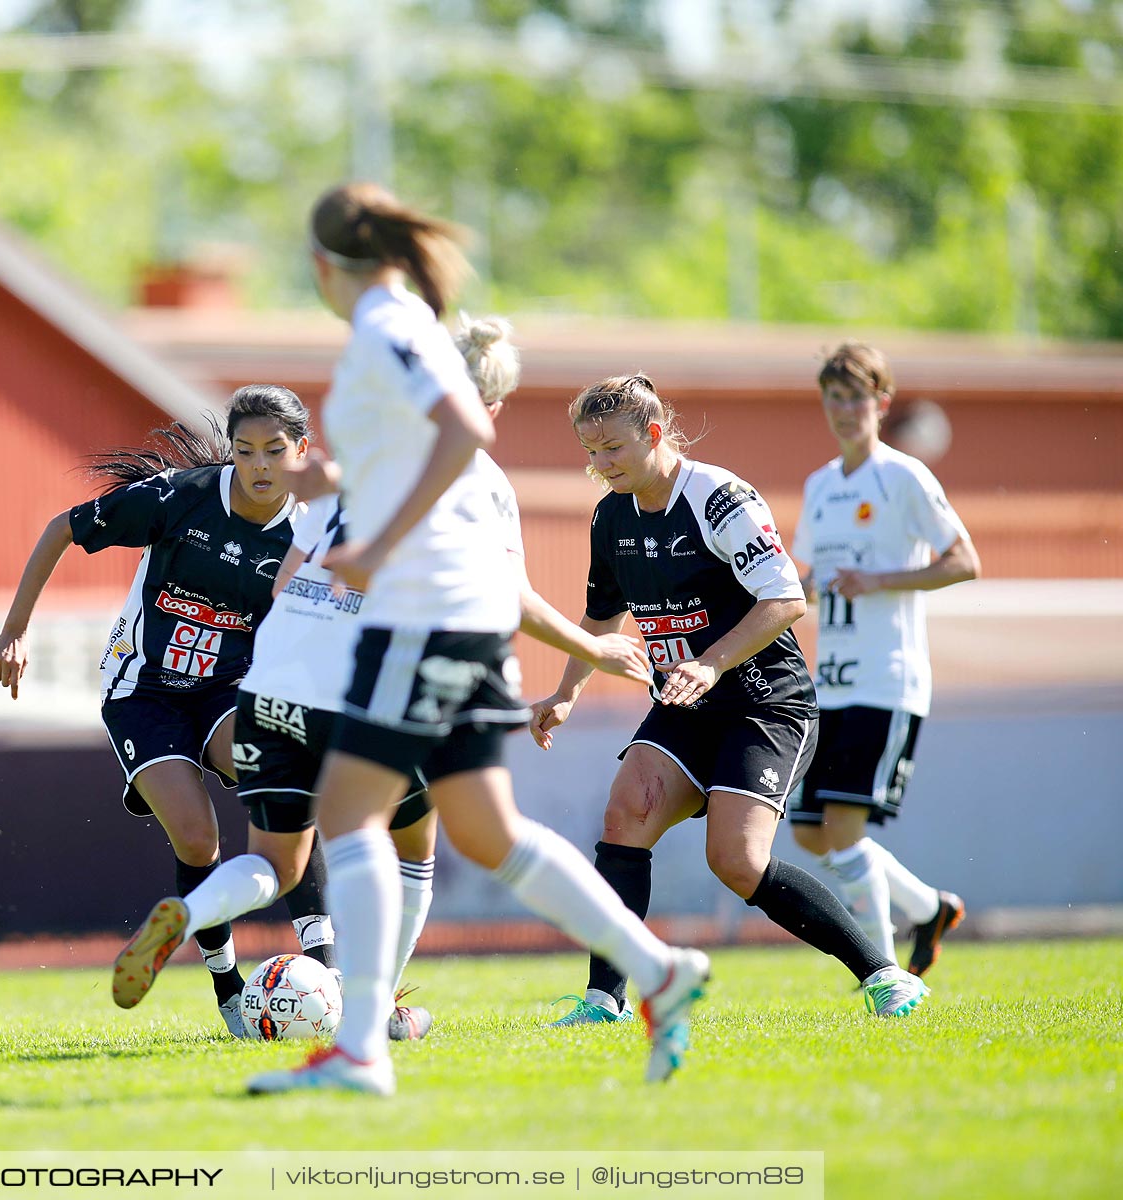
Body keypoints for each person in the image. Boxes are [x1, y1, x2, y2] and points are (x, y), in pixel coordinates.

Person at [247, 184, 710, 1098]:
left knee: (345, 815)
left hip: (422, 613)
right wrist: (331, 478)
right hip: (453, 614)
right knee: (487, 832)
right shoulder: (403, 320)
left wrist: (377, 544)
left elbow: (464, 430)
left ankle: (360, 1051)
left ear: (320, 265)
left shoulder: (385, 323)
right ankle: (656, 970)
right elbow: (424, 444)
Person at [112, 315, 579, 1042]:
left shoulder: (350, 464)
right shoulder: (469, 477)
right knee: (416, 842)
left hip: (267, 687)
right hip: (363, 687)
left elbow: (284, 586)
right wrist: (592, 651)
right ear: (486, 407)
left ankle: (193, 914)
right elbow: (504, 594)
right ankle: (376, 1007)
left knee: (277, 855)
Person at [528, 373, 930, 1029]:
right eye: (590, 452)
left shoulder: (717, 498)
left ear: (654, 433)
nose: (600, 466)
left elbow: (786, 600)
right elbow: (601, 621)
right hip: (687, 703)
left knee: (737, 862)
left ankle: (885, 975)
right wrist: (565, 693)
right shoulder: (611, 515)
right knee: (626, 814)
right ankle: (606, 999)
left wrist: (711, 665)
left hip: (765, 704)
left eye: (612, 450)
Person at [0, 386, 332, 1038]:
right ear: (231, 453)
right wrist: (14, 630)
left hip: (228, 691)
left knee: (283, 788)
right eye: (246, 450)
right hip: (143, 692)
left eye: (275, 451)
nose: (260, 465)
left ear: (303, 452)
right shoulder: (180, 497)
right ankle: (230, 991)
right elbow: (63, 527)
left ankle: (329, 970)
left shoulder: (309, 533)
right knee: (199, 839)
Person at [788, 342, 980, 975]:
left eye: (856, 398)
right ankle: (928, 908)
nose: (844, 410)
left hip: (886, 677)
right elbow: (811, 578)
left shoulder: (904, 476)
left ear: (881, 403)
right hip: (830, 683)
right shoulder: (819, 485)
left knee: (843, 831)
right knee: (810, 832)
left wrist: (880, 580)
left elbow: (963, 561)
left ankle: (881, 971)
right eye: (833, 398)